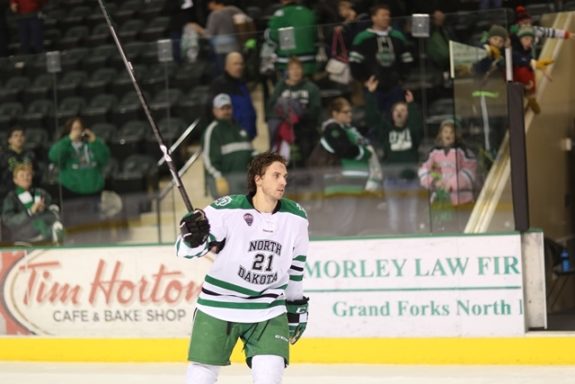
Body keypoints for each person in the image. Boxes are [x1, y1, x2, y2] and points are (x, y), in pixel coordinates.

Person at [176, 151, 309, 384]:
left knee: (270, 376)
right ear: (258, 179)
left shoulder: (296, 216)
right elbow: (186, 251)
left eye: (285, 176)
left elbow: (297, 265)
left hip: (268, 307)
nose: (283, 182)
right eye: (276, 175)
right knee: (201, 376)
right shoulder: (226, 210)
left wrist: (295, 302)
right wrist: (191, 238)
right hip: (218, 305)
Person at [307, 96, 382, 235]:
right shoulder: (332, 129)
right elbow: (346, 150)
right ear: (334, 114)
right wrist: (364, 152)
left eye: (350, 112)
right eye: (345, 112)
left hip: (355, 184)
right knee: (344, 223)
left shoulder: (348, 129)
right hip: (342, 182)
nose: (350, 115)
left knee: (354, 223)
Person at [349, 4, 413, 114]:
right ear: (374, 18)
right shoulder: (362, 38)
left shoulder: (398, 36)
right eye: (383, 15)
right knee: (376, 118)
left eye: (388, 15)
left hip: (395, 87)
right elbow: (354, 62)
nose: (386, 18)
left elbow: (407, 59)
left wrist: (401, 78)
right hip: (373, 88)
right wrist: (364, 81)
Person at [48, 117, 110, 226]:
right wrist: (68, 139)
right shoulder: (65, 146)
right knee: (75, 227)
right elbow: (53, 156)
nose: (77, 131)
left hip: (93, 191)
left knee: (94, 225)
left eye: (79, 128)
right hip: (72, 192)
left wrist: (95, 141)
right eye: (74, 129)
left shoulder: (91, 144)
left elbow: (105, 158)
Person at [418, 119, 478, 232]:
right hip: (441, 201)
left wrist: (451, 184)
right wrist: (434, 182)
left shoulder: (464, 151)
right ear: (440, 133)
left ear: (457, 134)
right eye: (445, 131)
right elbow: (424, 170)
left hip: (462, 200)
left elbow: (470, 171)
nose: (448, 135)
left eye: (452, 132)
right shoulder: (433, 152)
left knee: (463, 228)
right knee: (443, 230)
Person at [266, 57, 321, 168]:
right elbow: (271, 108)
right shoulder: (280, 87)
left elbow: (316, 111)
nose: (295, 71)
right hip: (285, 129)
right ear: (288, 71)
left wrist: (300, 115)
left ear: (302, 70)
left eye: (298, 68)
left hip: (305, 128)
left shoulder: (311, 88)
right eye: (292, 69)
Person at [203, 93, 255, 198]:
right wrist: (219, 178)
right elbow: (208, 160)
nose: (226, 111)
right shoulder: (213, 130)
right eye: (222, 108)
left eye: (228, 108)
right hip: (226, 186)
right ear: (215, 111)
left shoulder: (240, 128)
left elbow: (250, 151)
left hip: (244, 184)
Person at [2, 164, 64, 244]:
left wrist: (44, 209)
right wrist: (30, 212)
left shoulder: (41, 193)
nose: (26, 178)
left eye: (28, 175)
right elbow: (8, 220)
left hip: (47, 234)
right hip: (24, 237)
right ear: (15, 180)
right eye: (22, 176)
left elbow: (55, 208)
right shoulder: (11, 198)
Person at [208, 52, 258, 140]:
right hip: (231, 138)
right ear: (226, 66)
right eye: (235, 64)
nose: (239, 67)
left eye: (241, 64)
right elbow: (215, 113)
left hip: (247, 136)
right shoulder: (219, 85)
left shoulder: (242, 83)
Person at [190, 0, 247, 75]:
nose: (208, 7)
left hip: (222, 50)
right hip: (236, 47)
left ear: (213, 2)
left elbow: (209, 35)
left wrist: (198, 29)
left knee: (225, 74)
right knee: (238, 72)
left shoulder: (214, 15)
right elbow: (247, 20)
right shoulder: (234, 9)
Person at [266, 0, 317, 76]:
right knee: (308, 86)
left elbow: (272, 37)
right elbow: (315, 36)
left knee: (289, 86)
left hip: (288, 63)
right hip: (309, 62)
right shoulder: (308, 13)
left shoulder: (279, 15)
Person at [512, 25, 553, 115]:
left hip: (524, 81)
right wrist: (536, 65)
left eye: (531, 39)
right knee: (524, 70)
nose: (529, 42)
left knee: (529, 71)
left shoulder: (528, 50)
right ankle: (527, 95)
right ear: (520, 39)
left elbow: (531, 62)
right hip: (515, 78)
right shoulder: (514, 51)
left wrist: (542, 69)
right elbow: (521, 60)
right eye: (526, 39)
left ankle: (530, 96)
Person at [0, 126, 39, 202]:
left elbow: (37, 172)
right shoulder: (3, 155)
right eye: (16, 136)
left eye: (21, 135)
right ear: (9, 140)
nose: (19, 138)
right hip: (9, 191)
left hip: (29, 190)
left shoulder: (30, 154)